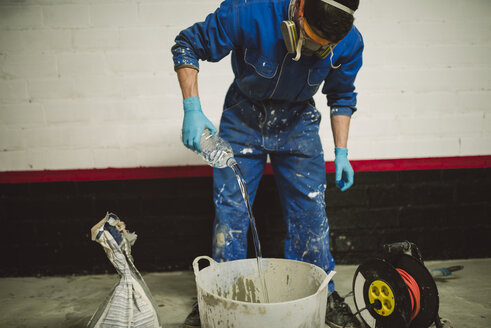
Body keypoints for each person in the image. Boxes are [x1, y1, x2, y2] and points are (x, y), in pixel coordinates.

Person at [172, 0, 364, 327]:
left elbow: (342, 95)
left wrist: (342, 152)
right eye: (310, 39)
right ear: (300, 9)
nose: (314, 49)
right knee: (230, 212)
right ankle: (215, 298)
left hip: (299, 122)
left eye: (323, 48)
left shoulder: (349, 41)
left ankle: (323, 295)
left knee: (311, 213)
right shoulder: (250, 11)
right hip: (243, 116)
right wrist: (192, 107)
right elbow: (187, 44)